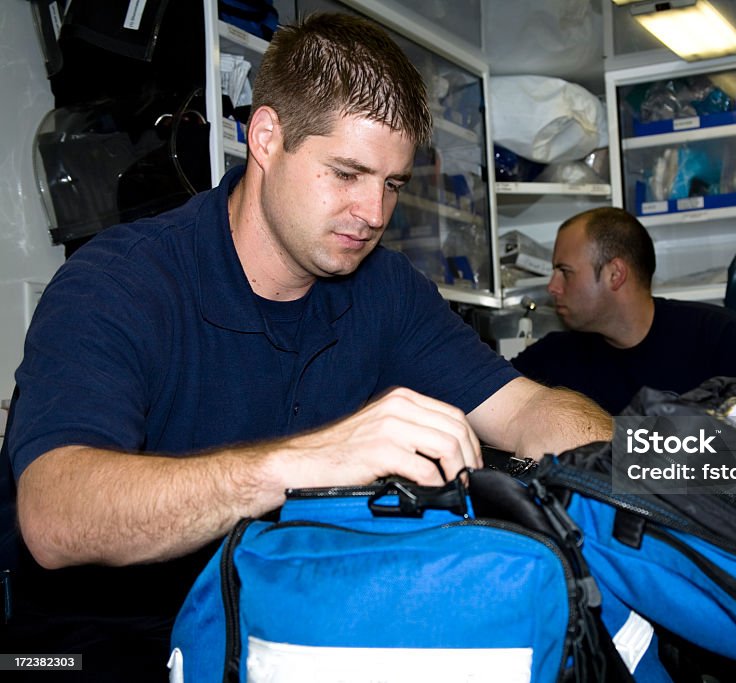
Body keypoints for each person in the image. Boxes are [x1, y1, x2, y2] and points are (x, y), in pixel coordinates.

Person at [1, 14, 610, 680]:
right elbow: (56, 513)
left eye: (392, 184)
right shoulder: (119, 283)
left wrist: (660, 472)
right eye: (346, 173)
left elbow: (524, 411)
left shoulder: (384, 290)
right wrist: (315, 458)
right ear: (266, 138)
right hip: (101, 649)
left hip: (286, 629)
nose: (374, 213)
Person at [512, 207, 736, 414]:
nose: (552, 287)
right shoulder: (552, 358)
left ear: (615, 274)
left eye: (564, 272)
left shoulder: (726, 341)